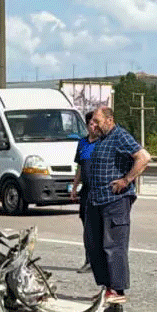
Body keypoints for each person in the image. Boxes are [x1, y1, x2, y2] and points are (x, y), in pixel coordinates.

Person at [81, 106, 152, 312]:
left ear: (109, 120)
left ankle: (117, 293)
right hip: (95, 200)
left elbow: (144, 157)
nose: (94, 124)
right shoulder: (99, 139)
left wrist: (126, 180)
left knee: (113, 247)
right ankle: (106, 288)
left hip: (115, 201)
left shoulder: (120, 136)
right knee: (93, 245)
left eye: (97, 120)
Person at [69, 111, 101, 273]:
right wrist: (75, 188)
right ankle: (89, 260)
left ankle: (100, 262)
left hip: (100, 190)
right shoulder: (82, 143)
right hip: (86, 191)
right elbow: (80, 168)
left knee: (100, 228)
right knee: (87, 227)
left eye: (97, 123)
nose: (94, 127)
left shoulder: (103, 143)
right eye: (91, 124)